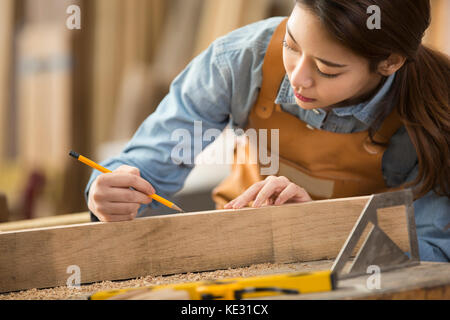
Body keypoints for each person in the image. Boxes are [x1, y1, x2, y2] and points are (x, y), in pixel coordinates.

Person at [85, 0, 449, 262]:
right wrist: (114, 191)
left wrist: (319, 229)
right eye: (291, 45)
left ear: (390, 62)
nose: (298, 76)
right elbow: (150, 165)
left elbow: (433, 254)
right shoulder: (240, 62)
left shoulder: (430, 114)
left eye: (327, 69)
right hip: (238, 258)